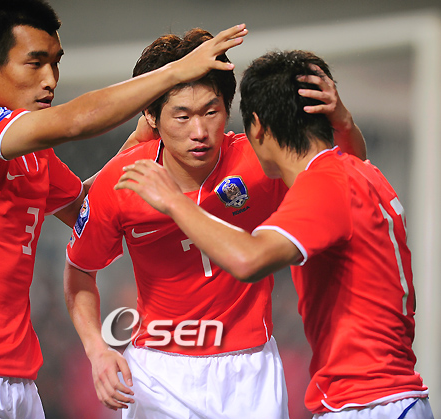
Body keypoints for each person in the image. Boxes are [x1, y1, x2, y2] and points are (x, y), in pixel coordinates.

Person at [0, 0, 248, 416]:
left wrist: (135, 143)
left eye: (55, 63)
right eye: (35, 63)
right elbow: (75, 121)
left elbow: (87, 208)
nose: (50, 79)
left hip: (17, 376)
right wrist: (176, 72)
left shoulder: (34, 155)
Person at [115, 50, 433, 419]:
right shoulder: (359, 172)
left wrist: (174, 201)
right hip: (389, 398)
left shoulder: (323, 186)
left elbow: (249, 259)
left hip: (368, 404)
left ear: (257, 127)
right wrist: (344, 122)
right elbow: (353, 157)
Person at [64, 30, 365, 417]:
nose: (200, 132)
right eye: (182, 116)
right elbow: (80, 270)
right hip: (157, 372)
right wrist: (97, 350)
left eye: (211, 112)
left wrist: (344, 123)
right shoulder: (122, 180)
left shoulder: (258, 162)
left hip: (250, 370)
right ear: (151, 117)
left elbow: (344, 174)